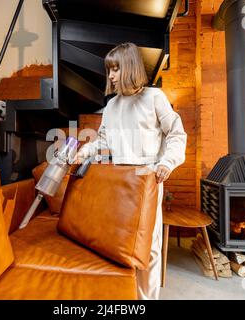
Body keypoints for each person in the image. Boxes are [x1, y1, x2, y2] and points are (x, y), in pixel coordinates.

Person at [76, 42, 187, 300]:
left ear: (130, 67)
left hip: (147, 180)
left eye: (116, 69)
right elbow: (103, 139)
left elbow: (177, 133)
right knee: (121, 245)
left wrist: (167, 163)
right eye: (109, 70)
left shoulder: (154, 98)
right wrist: (85, 151)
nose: (111, 75)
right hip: (119, 182)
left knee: (149, 248)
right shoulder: (112, 106)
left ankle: (146, 299)